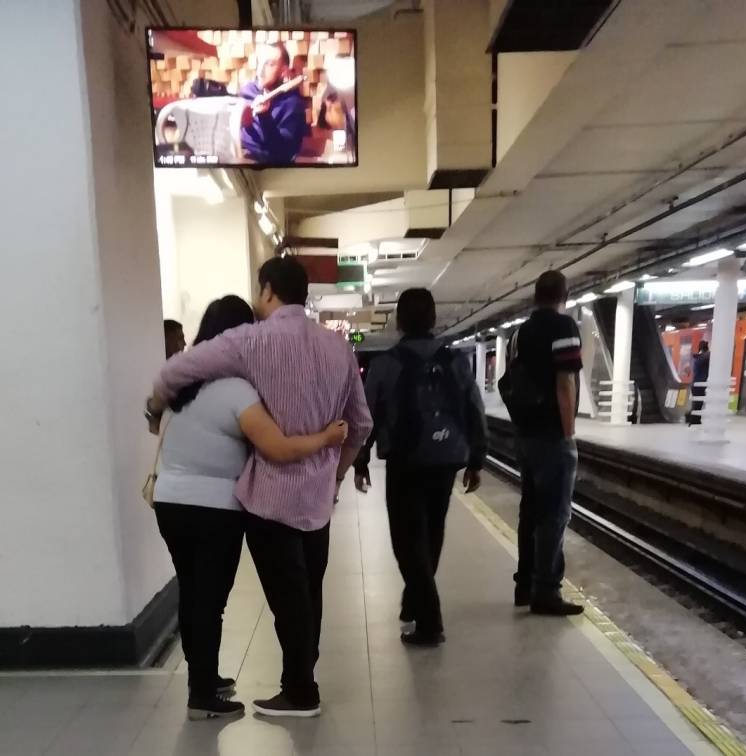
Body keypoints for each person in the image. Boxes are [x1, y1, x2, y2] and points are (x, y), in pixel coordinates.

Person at [148, 258, 372, 718]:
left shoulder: (249, 341)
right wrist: (336, 473)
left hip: (270, 497)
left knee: (284, 598)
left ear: (267, 290)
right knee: (309, 592)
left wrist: (155, 408)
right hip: (317, 499)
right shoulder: (338, 347)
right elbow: (361, 424)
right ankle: (300, 680)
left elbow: (173, 374)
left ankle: (299, 691)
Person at [353, 289, 487, 647]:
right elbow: (475, 408)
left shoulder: (386, 364)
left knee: (405, 539)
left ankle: (429, 621)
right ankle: (415, 600)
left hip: (406, 460)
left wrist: (360, 460)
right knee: (431, 533)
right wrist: (476, 459)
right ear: (432, 320)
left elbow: (365, 417)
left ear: (399, 322)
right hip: (447, 459)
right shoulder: (455, 361)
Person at [504, 270, 583, 616]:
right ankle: (547, 590)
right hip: (552, 434)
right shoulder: (564, 328)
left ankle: (525, 584)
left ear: (536, 295)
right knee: (554, 514)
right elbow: (565, 383)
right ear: (564, 296)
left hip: (525, 434)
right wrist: (568, 434)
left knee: (530, 510)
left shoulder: (520, 333)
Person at [239, 44, 308, 164]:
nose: (260, 70)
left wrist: (264, 117)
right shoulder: (248, 91)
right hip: (237, 160)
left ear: (283, 71)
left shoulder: (293, 105)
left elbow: (282, 155)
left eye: (269, 64)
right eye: (259, 62)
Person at [686, 340, 710, 426]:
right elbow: (706, 356)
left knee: (697, 402)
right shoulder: (704, 357)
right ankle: (693, 420)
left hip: (696, 383)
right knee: (698, 403)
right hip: (699, 384)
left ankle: (695, 419)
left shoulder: (698, 358)